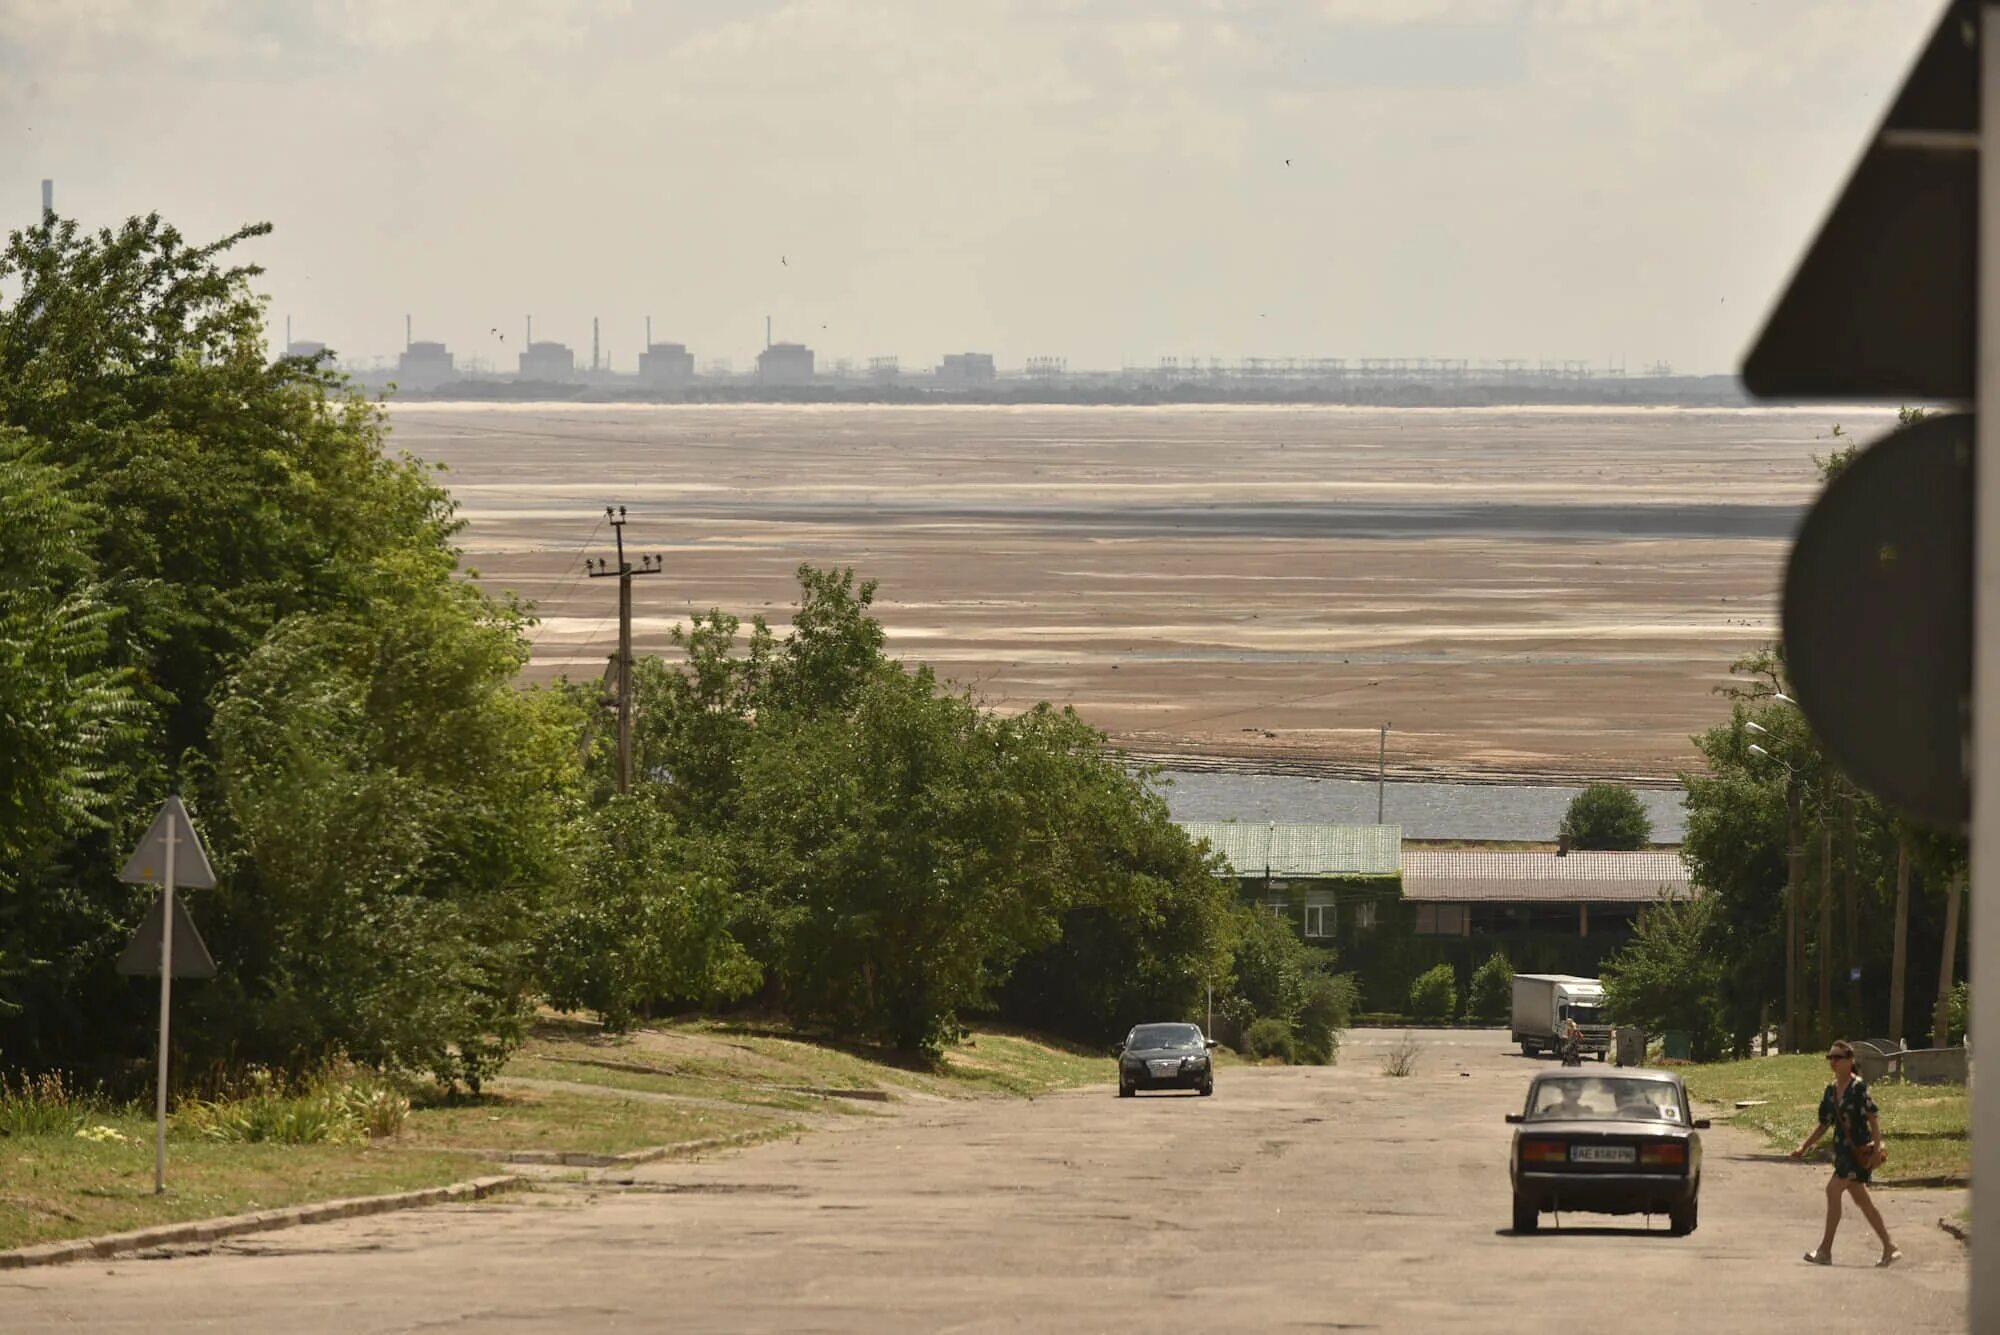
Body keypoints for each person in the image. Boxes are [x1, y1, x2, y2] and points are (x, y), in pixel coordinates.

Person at [1791, 1039, 1900, 1267]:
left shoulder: (1858, 1087)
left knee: (1832, 1190)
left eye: (1838, 1057)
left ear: (1850, 1061)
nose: (1833, 1062)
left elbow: (1873, 1118)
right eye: (1830, 1057)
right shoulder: (1830, 1091)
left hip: (1857, 1153)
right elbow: (1824, 1124)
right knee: (1864, 1203)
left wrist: (1877, 1148)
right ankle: (1889, 1247)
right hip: (1842, 1153)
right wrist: (1804, 1146)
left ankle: (1825, 1250)